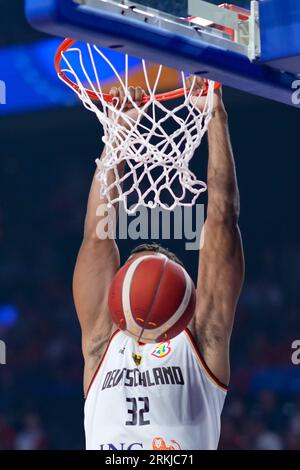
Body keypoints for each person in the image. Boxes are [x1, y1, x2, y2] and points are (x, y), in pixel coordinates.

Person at [73, 78, 245, 450]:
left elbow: (222, 219)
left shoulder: (202, 338)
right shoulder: (103, 341)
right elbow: (97, 236)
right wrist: (116, 136)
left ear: (186, 296)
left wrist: (216, 117)